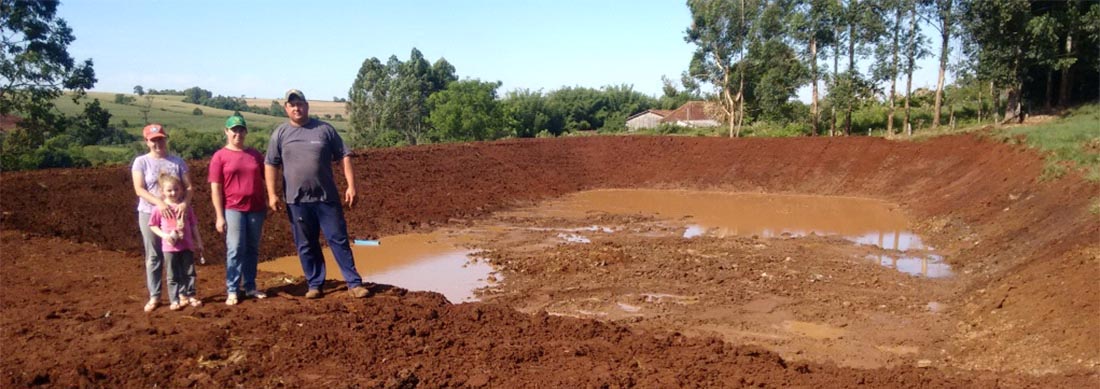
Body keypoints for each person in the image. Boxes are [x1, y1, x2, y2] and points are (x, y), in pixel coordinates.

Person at [265, 89, 370, 299]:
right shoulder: (280, 133)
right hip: (297, 199)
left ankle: (354, 283)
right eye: (292, 104)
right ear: (286, 108)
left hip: (326, 198)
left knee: (338, 240)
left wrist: (351, 185)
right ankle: (314, 284)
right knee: (306, 244)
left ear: (307, 106)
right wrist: (272, 194)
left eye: (300, 103)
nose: (297, 108)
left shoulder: (324, 129)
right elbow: (270, 163)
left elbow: (344, 155)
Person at [131, 123, 194, 313]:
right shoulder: (141, 162)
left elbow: (189, 187)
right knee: (154, 256)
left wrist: (184, 204)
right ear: (147, 142)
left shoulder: (177, 162)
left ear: (165, 139)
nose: (158, 143)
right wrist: (159, 203)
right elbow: (139, 188)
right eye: (153, 140)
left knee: (179, 253)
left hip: (176, 214)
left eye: (160, 138)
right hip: (150, 212)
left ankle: (182, 293)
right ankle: (155, 295)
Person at [210, 114, 268, 306]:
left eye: (241, 129)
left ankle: (250, 286)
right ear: (226, 131)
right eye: (234, 130)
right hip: (233, 208)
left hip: (256, 208)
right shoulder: (220, 157)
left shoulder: (254, 155)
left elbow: (267, 176)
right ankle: (233, 289)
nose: (238, 133)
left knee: (252, 248)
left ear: (246, 132)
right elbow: (216, 187)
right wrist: (219, 216)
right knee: (235, 248)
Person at [148, 173, 204, 311]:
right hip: (169, 247)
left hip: (187, 244)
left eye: (176, 189)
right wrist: (164, 235)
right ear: (162, 192)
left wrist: (199, 241)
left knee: (189, 271)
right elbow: (152, 225)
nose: (173, 193)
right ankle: (175, 299)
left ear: (181, 190)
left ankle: (190, 295)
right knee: (172, 274)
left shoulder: (186, 208)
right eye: (169, 190)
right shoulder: (159, 209)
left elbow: (193, 225)